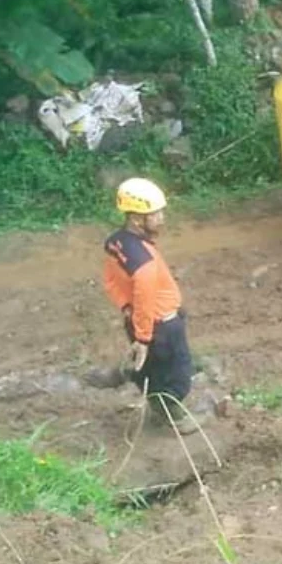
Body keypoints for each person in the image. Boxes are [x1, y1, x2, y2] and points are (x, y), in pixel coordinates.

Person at [94, 177, 200, 435]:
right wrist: (143, 337)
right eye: (155, 214)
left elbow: (110, 281)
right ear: (137, 219)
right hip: (161, 325)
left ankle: (136, 378)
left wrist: (126, 310)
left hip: (138, 321)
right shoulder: (145, 264)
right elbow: (145, 299)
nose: (162, 218)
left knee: (150, 367)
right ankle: (173, 417)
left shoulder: (116, 242)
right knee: (177, 374)